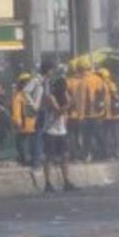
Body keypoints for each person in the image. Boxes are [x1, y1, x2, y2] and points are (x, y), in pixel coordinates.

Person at [42, 61, 77, 193]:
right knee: (49, 157)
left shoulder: (64, 95)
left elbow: (67, 109)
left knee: (64, 156)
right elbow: (58, 111)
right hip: (50, 130)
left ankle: (66, 181)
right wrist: (69, 104)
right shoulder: (51, 97)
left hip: (61, 130)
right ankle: (48, 183)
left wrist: (70, 102)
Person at [10, 73, 36, 165]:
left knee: (21, 142)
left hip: (24, 123)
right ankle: (30, 159)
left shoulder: (18, 95)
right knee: (27, 142)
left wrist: (17, 122)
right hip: (30, 122)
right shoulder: (31, 94)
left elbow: (16, 110)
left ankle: (24, 159)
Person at [100, 68, 119, 158]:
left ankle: (109, 153)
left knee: (108, 134)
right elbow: (116, 96)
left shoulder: (103, 85)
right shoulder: (110, 84)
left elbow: (114, 96)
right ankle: (117, 152)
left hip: (107, 114)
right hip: (114, 114)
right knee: (115, 134)